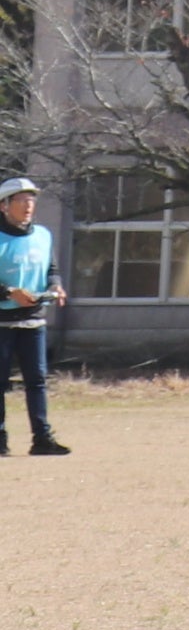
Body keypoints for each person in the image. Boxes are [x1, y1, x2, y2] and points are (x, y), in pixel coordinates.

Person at [0, 179, 57, 457]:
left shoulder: (43, 235)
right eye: (21, 200)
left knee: (37, 381)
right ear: (4, 206)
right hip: (1, 322)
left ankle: (42, 438)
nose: (28, 206)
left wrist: (56, 286)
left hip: (34, 320)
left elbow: (52, 269)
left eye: (31, 200)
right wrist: (10, 291)